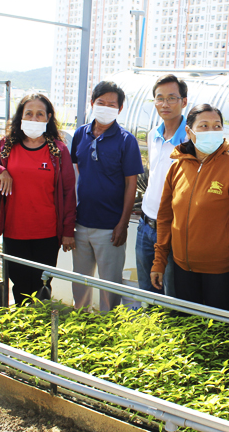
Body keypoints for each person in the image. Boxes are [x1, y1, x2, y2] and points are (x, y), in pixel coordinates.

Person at [151, 104, 229, 311]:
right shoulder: (177, 168)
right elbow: (165, 218)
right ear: (189, 132)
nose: (212, 131)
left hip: (220, 271)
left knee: (216, 331)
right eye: (204, 126)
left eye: (217, 126)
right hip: (183, 267)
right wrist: (159, 260)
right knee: (189, 330)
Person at [0, 93, 76, 304]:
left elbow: (68, 192)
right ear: (20, 118)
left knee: (41, 287)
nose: (34, 119)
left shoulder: (58, 150)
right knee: (19, 287)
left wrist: (67, 231)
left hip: (47, 234)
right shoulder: (6, 146)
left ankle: (41, 331)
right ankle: (21, 330)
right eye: (29, 114)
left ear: (48, 118)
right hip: (14, 231)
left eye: (40, 114)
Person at [71, 81, 144, 312]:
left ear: (120, 109)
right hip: (81, 224)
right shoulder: (79, 134)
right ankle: (80, 323)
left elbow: (131, 183)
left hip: (110, 228)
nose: (105, 107)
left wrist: (122, 224)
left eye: (111, 104)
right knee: (80, 284)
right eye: (100, 102)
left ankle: (107, 327)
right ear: (92, 103)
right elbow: (76, 173)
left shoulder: (126, 140)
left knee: (109, 287)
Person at [136, 74, 188, 297]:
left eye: (172, 98)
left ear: (184, 101)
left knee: (171, 295)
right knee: (146, 292)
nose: (165, 104)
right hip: (145, 224)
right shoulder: (153, 135)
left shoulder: (190, 139)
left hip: (172, 230)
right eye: (159, 98)